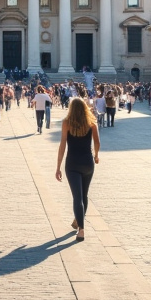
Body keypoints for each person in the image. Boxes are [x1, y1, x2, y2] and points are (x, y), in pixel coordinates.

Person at [55, 97, 101, 242]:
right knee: (84, 195)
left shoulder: (66, 123)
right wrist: (96, 156)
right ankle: (79, 223)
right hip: (87, 162)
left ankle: (81, 229)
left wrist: (58, 166)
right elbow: (97, 142)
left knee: (77, 197)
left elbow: (62, 145)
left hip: (72, 163)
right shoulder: (91, 123)